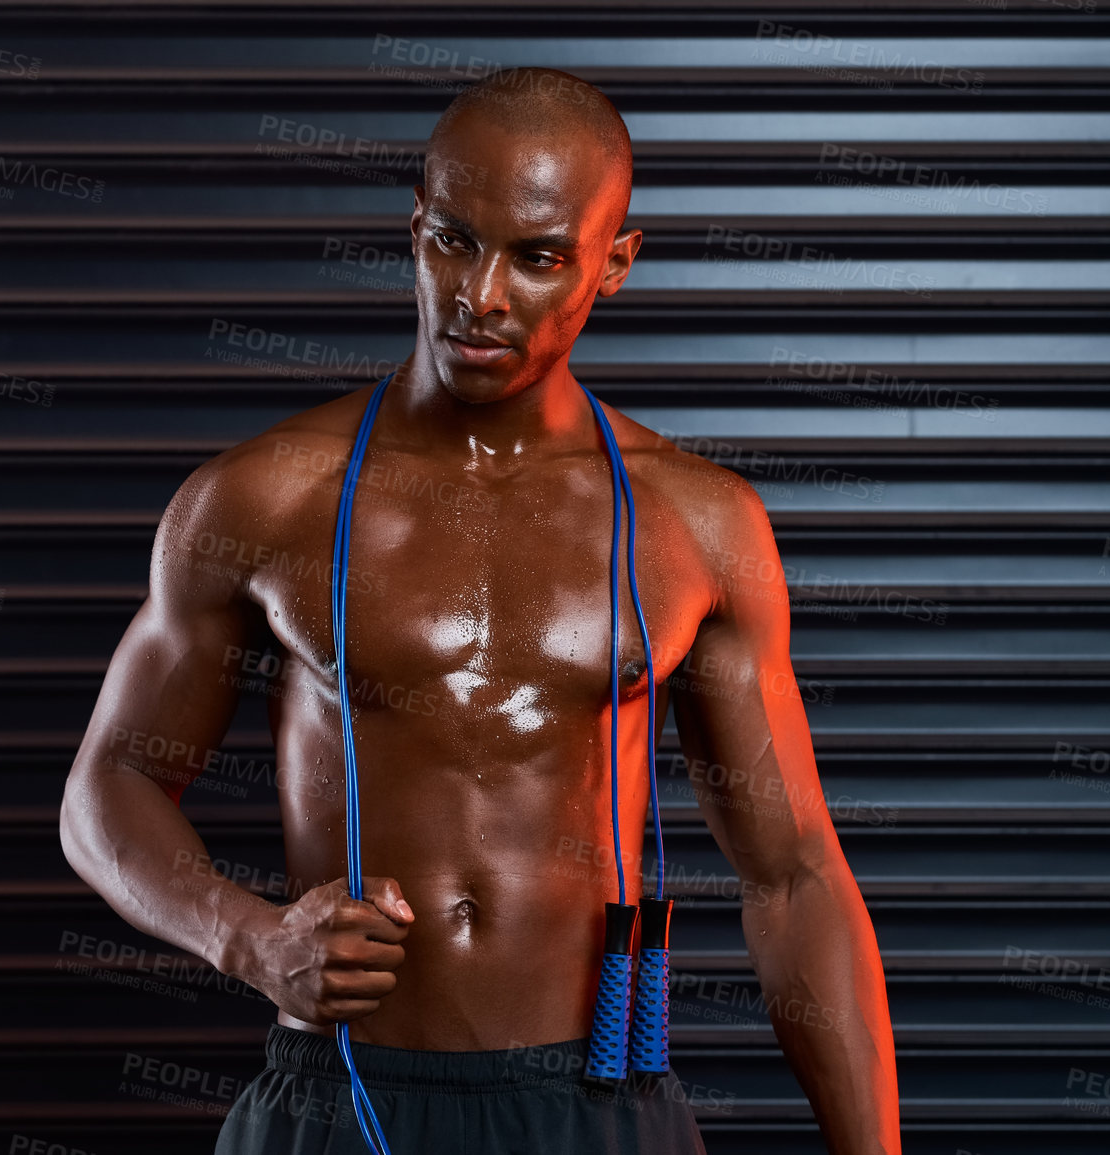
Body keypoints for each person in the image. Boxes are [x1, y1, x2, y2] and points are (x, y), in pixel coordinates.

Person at [59, 66, 901, 1154]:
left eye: (540, 257)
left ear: (614, 264)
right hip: (341, 1085)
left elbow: (793, 879)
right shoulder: (265, 497)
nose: (483, 295)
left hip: (596, 1104)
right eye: (454, 240)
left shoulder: (698, 524)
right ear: (414, 229)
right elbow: (109, 784)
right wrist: (248, 938)